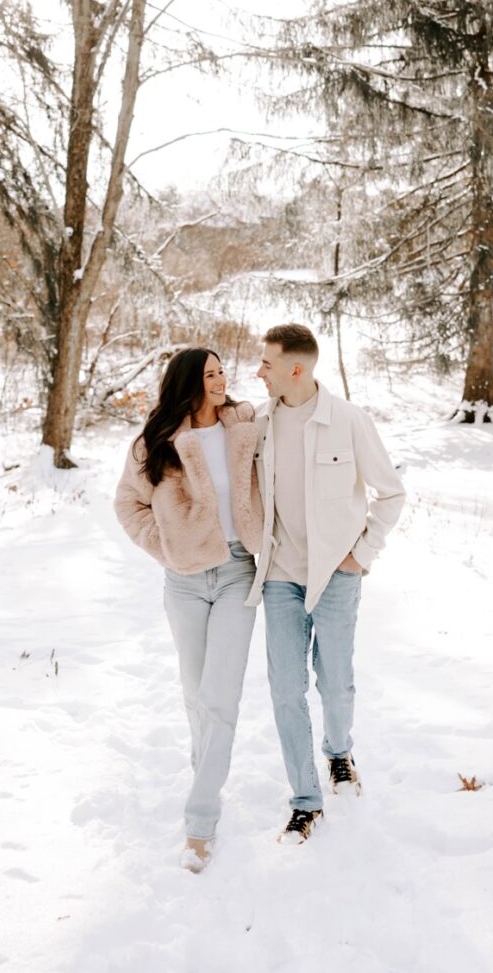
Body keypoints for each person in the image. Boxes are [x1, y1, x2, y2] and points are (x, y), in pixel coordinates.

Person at [247, 321, 406, 844]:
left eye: (267, 363)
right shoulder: (260, 423)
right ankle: (305, 800)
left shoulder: (349, 421)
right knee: (286, 690)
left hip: (337, 573)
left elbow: (392, 493)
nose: (258, 372)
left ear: (297, 368)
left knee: (335, 681)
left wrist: (361, 556)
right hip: (280, 576)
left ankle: (339, 752)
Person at [114, 346, 264, 871]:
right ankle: (208, 767)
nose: (221, 381)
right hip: (183, 581)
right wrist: (167, 547)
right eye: (209, 375)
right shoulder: (156, 443)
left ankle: (201, 821)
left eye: (223, 372)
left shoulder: (245, 427)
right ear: (188, 383)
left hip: (237, 573)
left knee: (220, 697)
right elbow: (127, 505)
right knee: (195, 692)